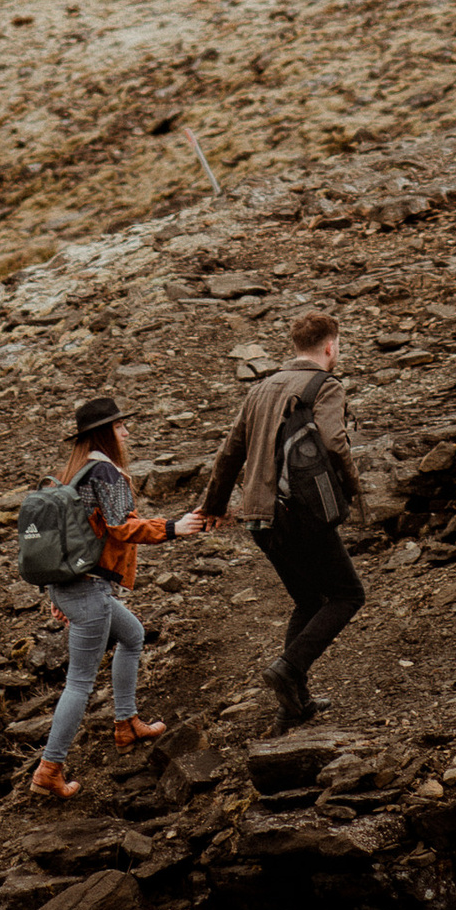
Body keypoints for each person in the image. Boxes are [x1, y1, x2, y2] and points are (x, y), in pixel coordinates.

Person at [189, 304, 365, 724]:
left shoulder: (260, 389)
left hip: (258, 518)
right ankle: (288, 669)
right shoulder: (325, 386)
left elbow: (229, 452)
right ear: (330, 346)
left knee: (308, 599)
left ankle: (293, 705)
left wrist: (214, 507)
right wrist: (355, 493)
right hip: (300, 512)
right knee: (348, 595)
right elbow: (335, 443)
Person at [26, 393, 170, 801]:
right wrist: (175, 527)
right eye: (120, 426)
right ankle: (49, 769)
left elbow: (65, 539)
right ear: (105, 433)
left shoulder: (72, 474)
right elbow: (123, 527)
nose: (127, 433)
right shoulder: (105, 473)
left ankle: (126, 723)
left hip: (71, 586)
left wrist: (58, 593)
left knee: (132, 635)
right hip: (88, 590)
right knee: (79, 683)